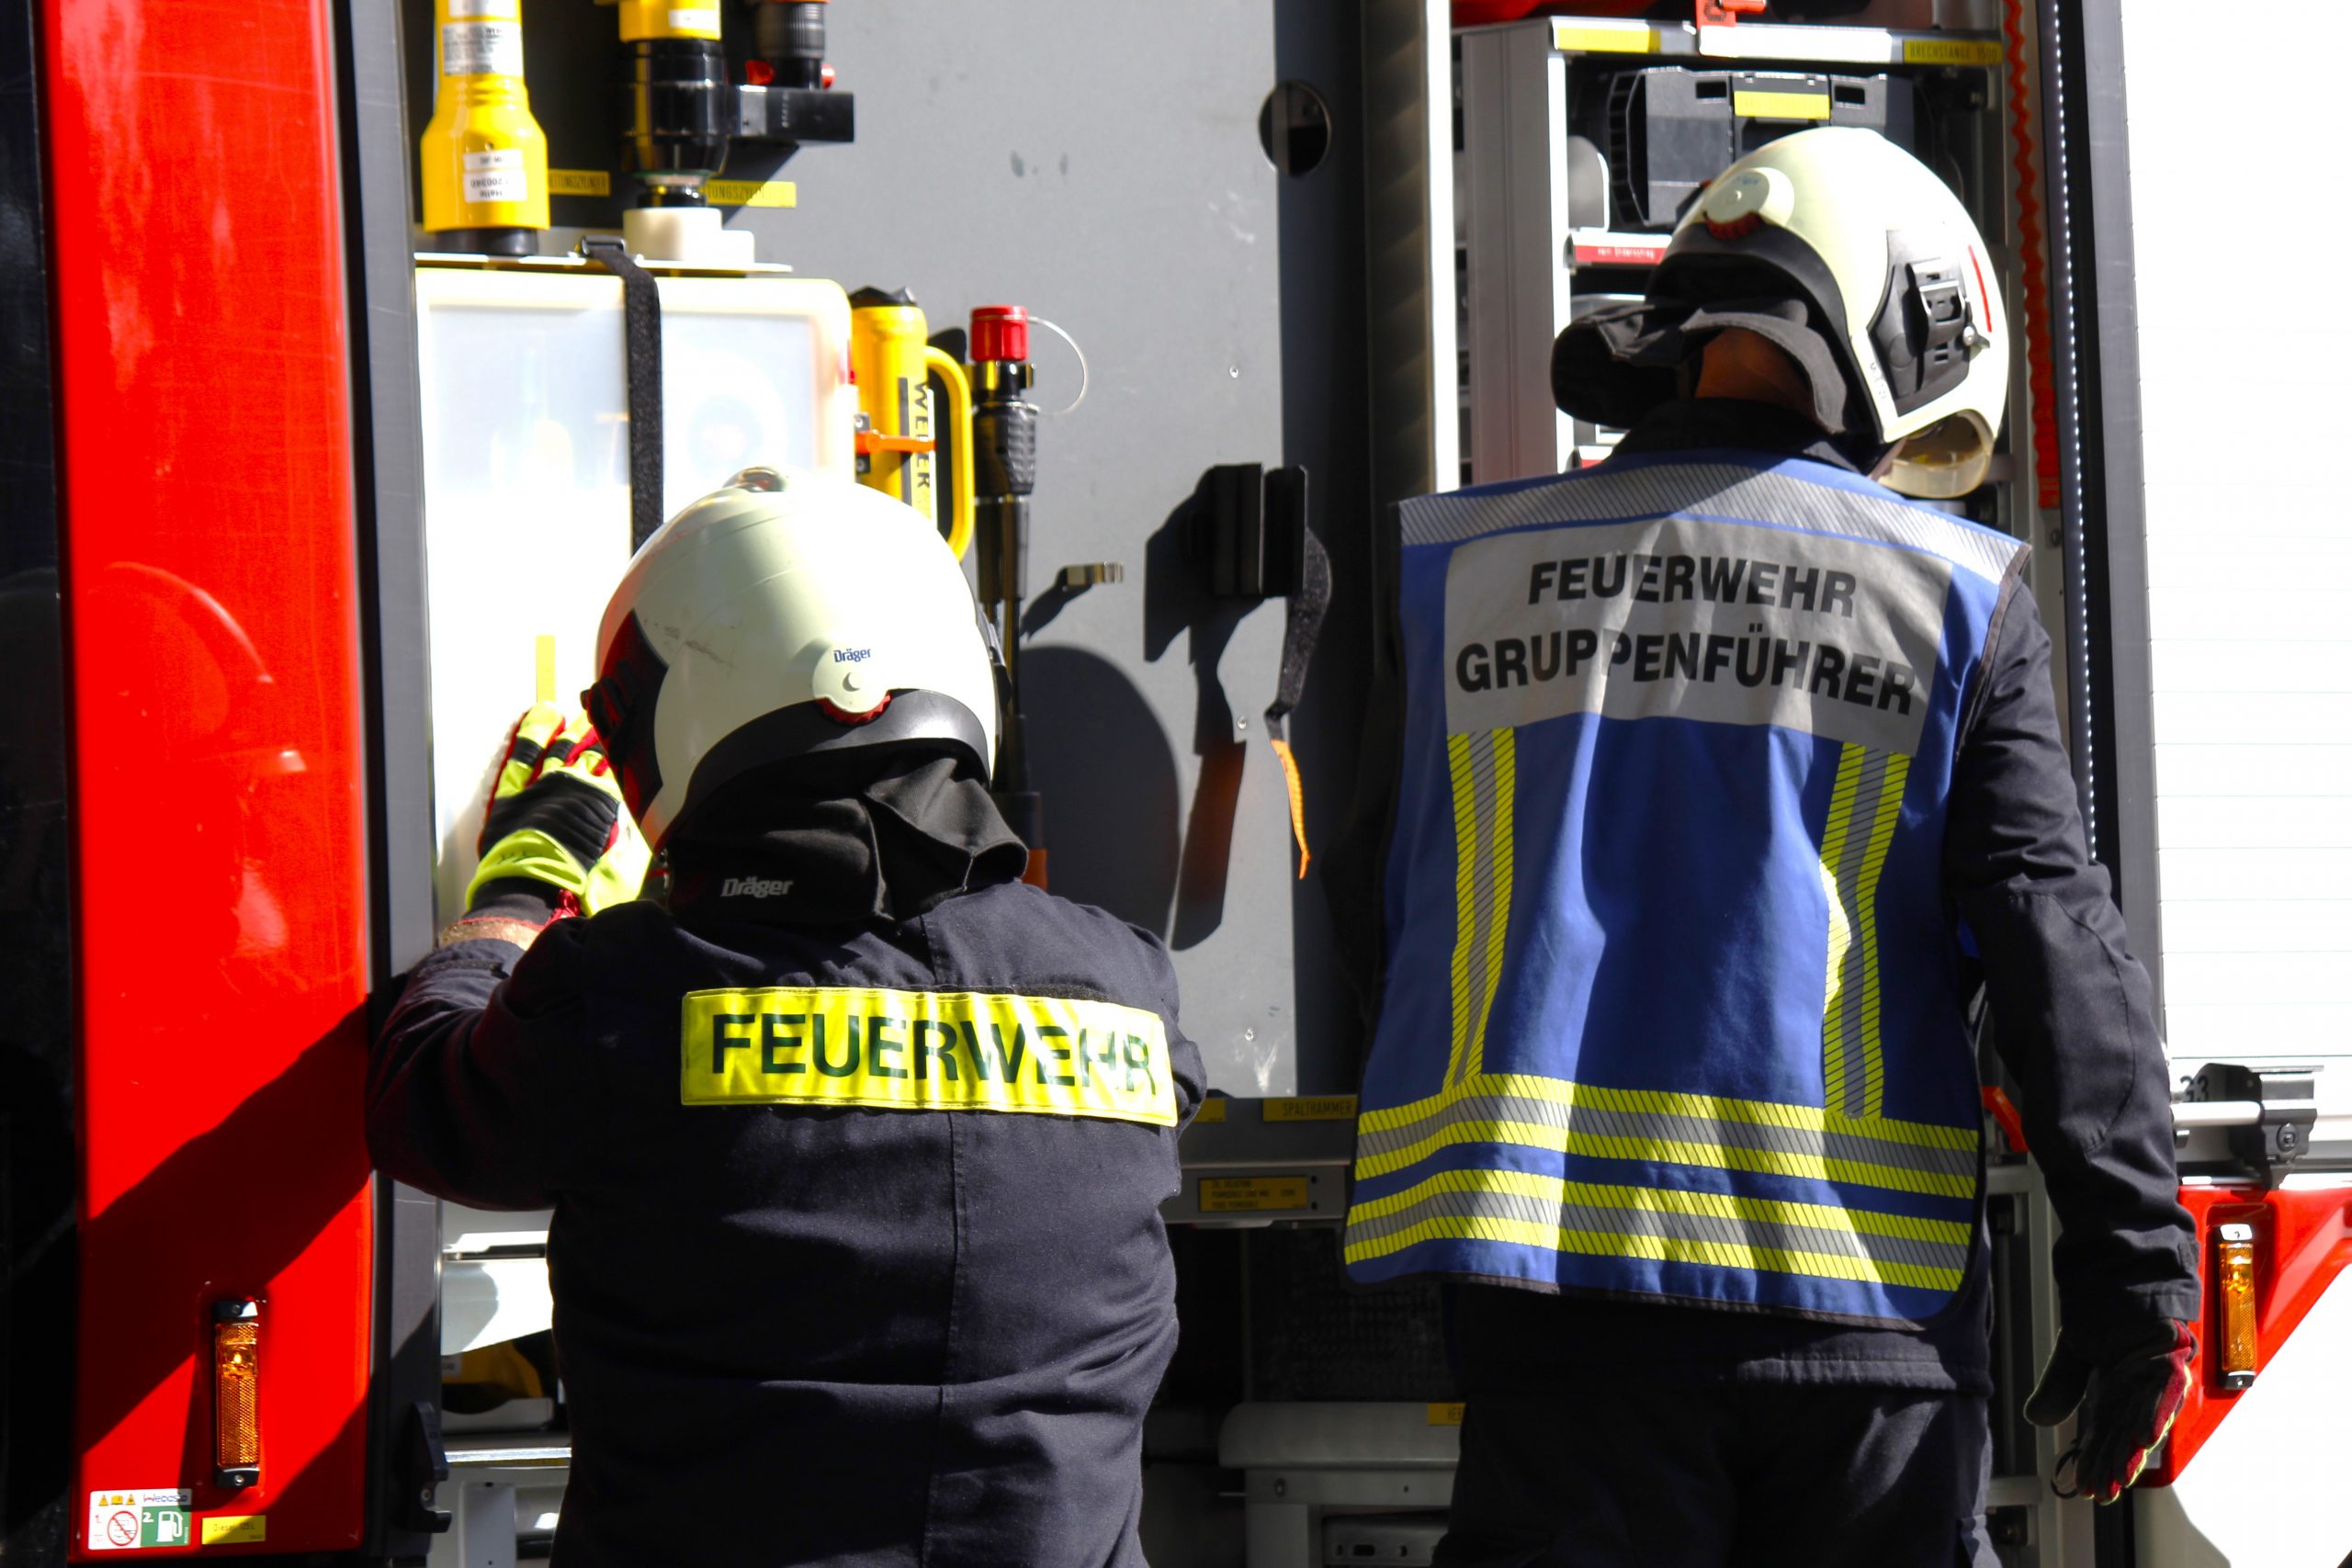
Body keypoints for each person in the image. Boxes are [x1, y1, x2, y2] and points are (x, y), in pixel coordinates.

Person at [1338, 128, 2198, 1566]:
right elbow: (2061, 959)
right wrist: (2133, 1279)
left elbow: (1384, 899)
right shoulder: (1953, 595)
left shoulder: (1457, 574)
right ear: (1893, 330)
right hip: (1865, 1325)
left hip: (1555, 1314)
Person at [368, 469, 1202, 1567]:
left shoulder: (623, 995)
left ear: (657, 721)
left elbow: (423, 1094)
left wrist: (528, 874)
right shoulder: (1127, 986)